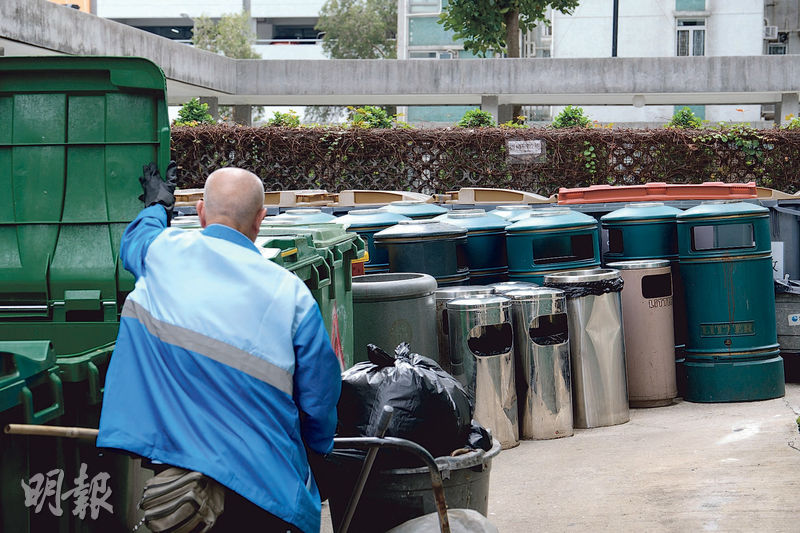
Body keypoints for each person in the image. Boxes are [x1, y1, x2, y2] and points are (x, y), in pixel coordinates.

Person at [98, 164, 342, 532]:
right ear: (260, 219)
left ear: (200, 212)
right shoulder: (291, 294)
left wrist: (157, 205)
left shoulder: (161, 253)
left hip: (184, 494)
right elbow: (320, 395)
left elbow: (135, 240)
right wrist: (317, 451)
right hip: (266, 488)